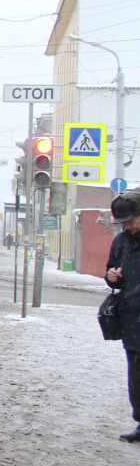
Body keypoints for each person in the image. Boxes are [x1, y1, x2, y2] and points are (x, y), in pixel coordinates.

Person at [104, 190, 140, 443]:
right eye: (122, 222)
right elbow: (110, 271)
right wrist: (111, 276)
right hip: (131, 319)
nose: (126, 226)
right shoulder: (121, 241)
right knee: (136, 376)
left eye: (130, 221)